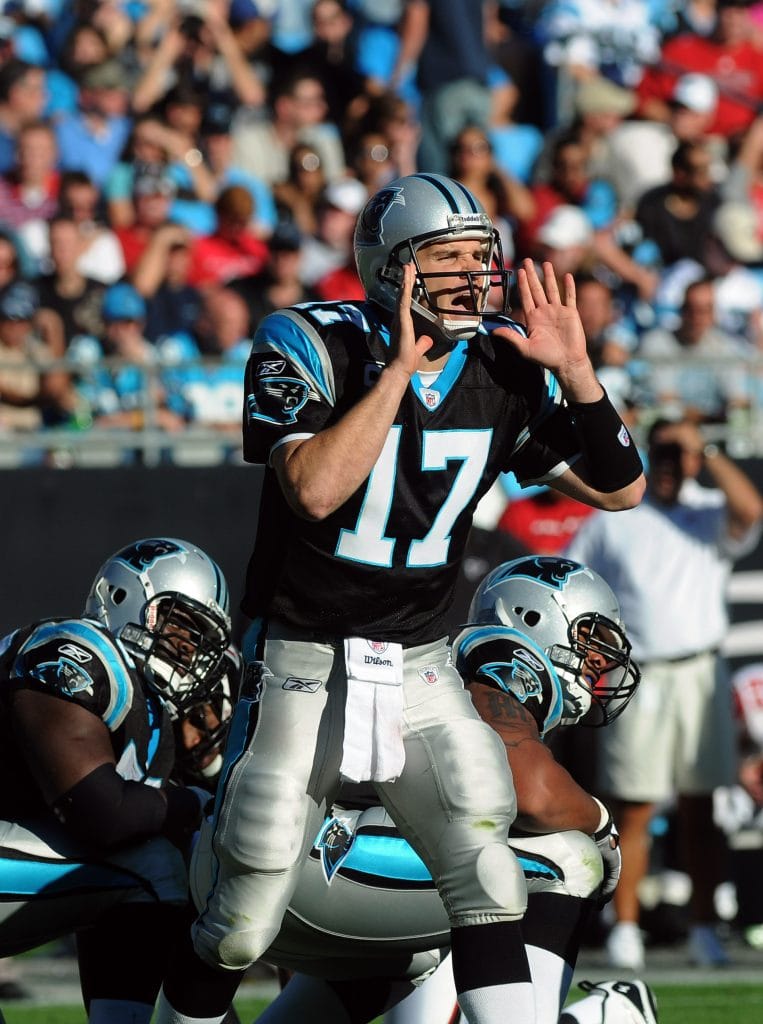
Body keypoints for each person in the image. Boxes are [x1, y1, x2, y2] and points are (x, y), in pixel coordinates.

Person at [154, 171, 645, 1024]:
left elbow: (619, 488)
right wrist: (393, 377)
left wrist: (576, 372)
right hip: (302, 660)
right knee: (244, 913)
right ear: (391, 267)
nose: (473, 275)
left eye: (479, 256)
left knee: (485, 869)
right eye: (447, 258)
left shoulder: (500, 362)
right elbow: (313, 490)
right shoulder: (312, 340)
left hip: (418, 658)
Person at [227, 554, 645, 1024]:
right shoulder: (496, 659)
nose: (597, 663)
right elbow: (533, 793)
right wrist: (602, 825)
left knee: (426, 936)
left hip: (272, 872)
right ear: (531, 616)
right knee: (570, 856)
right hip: (334, 864)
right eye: (589, 639)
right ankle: (606, 1015)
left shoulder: (421, 655)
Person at [0, 537, 234, 1024]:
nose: (188, 651)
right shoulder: (76, 651)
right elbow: (102, 815)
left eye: (199, 642)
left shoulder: (150, 718)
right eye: (181, 627)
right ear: (125, 597)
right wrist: (193, 804)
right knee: (157, 865)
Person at [565, 417, 763, 969]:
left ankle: (703, 928)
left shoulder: (708, 511)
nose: (673, 463)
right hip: (642, 673)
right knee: (633, 807)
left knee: (702, 809)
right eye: (664, 452)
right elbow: (577, 585)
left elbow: (751, 511)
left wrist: (708, 449)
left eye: (682, 454)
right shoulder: (616, 518)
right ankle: (624, 926)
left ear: (696, 458)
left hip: (701, 673)